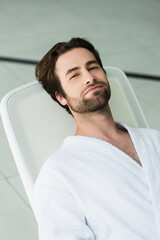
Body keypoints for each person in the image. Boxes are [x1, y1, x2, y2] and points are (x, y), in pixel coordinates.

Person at [34, 38, 160, 240]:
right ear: (61, 97)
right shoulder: (58, 173)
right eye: (75, 75)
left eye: (93, 68)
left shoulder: (154, 140)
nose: (89, 78)